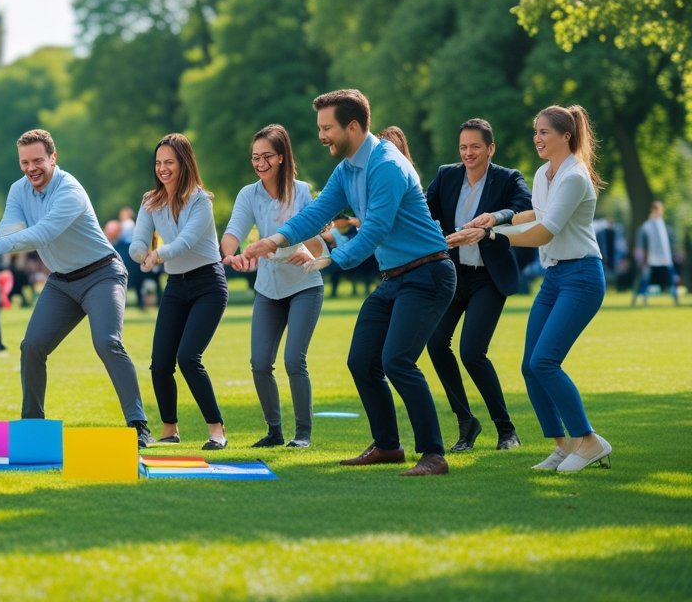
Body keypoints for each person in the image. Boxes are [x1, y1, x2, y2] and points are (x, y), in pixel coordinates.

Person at [243, 90, 455, 477]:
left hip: (428, 273)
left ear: (353, 127)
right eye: (320, 128)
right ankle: (388, 446)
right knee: (361, 361)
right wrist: (274, 240)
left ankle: (434, 454)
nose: (321, 136)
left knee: (397, 361)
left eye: (328, 128)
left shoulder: (386, 164)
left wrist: (332, 258)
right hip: (395, 277)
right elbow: (317, 213)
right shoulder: (346, 170)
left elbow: (376, 228)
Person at [449, 105, 612, 473]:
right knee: (530, 367)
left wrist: (492, 236)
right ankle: (563, 445)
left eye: (544, 132)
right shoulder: (544, 173)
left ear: (566, 136)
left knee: (545, 362)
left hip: (582, 277)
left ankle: (589, 441)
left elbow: (545, 232)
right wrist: (492, 220)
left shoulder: (574, 176)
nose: (537, 138)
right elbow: (534, 215)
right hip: (554, 277)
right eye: (535, 132)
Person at [0, 129, 154, 447]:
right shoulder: (18, 190)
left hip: (102, 275)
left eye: (38, 160)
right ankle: (32, 426)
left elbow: (42, 233)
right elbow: (10, 232)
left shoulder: (70, 190)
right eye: (24, 162)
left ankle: (138, 424)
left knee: (107, 342)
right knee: (32, 346)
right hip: (61, 282)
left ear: (53, 158)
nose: (31, 168)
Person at [424, 118, 532, 453]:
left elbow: (525, 208)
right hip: (453, 274)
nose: (468, 153)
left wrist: (494, 219)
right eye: (463, 147)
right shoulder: (446, 175)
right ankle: (466, 422)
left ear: (490, 149)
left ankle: (506, 430)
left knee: (472, 353)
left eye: (475, 147)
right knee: (435, 342)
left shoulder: (508, 178)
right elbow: (424, 211)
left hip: (489, 277)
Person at [222, 124, 325, 450]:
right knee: (260, 362)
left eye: (267, 156)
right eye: (255, 157)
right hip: (268, 288)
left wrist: (309, 252)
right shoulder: (248, 194)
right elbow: (233, 231)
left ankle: (303, 434)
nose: (260, 163)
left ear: (281, 157)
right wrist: (231, 255)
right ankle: (274, 431)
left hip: (305, 284)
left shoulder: (302, 191)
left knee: (294, 360)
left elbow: (317, 239)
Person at [129, 133, 229, 450]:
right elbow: (139, 240)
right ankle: (170, 429)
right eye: (158, 163)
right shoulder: (151, 201)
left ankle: (217, 430)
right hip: (176, 286)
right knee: (160, 363)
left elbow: (185, 241)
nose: (163, 168)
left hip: (208, 284)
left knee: (188, 357)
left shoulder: (201, 201)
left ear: (184, 164)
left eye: (169, 162)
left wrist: (157, 255)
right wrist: (140, 253)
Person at [632, 201, 680, 306]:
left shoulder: (664, 226)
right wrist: (642, 258)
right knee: (645, 280)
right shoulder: (647, 226)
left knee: (672, 278)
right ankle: (641, 299)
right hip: (651, 258)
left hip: (665, 258)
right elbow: (642, 243)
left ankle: (676, 299)